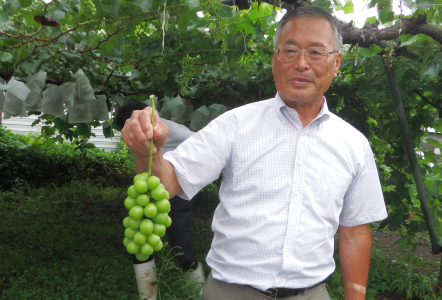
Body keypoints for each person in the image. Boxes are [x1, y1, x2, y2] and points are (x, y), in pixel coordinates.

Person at [122, 6, 387, 300]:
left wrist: (355, 295)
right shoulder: (235, 125)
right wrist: (148, 149)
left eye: (316, 52)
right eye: (289, 50)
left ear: (336, 63)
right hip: (230, 292)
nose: (301, 63)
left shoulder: (353, 144)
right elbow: (168, 183)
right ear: (275, 60)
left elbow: (354, 231)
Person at [116, 101, 205, 284]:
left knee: (179, 229)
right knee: (146, 226)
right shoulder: (150, 127)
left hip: (176, 182)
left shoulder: (163, 128)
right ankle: (150, 280)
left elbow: (199, 142)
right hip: (154, 184)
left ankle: (195, 280)